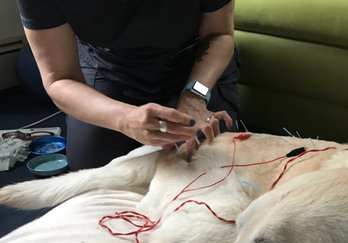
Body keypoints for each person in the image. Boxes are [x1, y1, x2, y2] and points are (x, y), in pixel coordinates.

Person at [16, 0, 239, 170]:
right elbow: (59, 78)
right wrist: (124, 119)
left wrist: (195, 98)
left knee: (208, 159)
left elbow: (219, 35)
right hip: (109, 66)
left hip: (193, 64)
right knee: (95, 168)